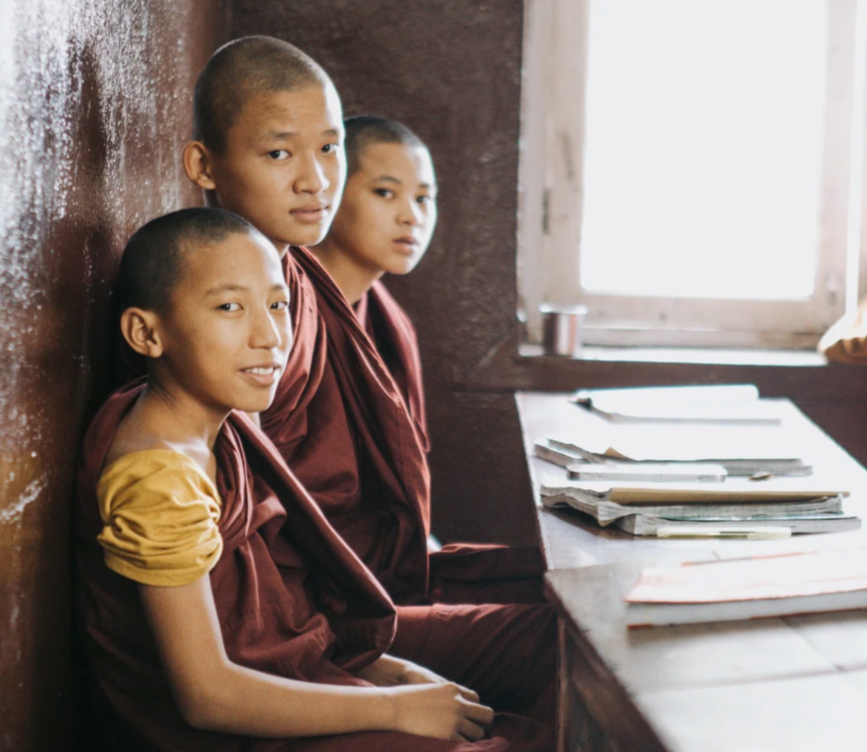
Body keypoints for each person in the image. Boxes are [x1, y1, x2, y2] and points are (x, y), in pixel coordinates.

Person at [180, 36, 556, 747]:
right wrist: (365, 672)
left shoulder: (314, 294)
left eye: (328, 151)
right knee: (549, 649)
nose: (314, 181)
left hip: (347, 590)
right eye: (279, 154)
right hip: (302, 619)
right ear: (204, 164)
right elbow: (244, 547)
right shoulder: (229, 321)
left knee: (554, 590)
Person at [72, 206, 540, 751]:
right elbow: (207, 698)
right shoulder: (159, 477)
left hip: (296, 676)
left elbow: (279, 620)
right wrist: (395, 707)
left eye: (277, 305)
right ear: (146, 333)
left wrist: (389, 672)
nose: (270, 335)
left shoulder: (219, 425)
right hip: (236, 735)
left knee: (547, 644)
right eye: (229, 307)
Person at [308, 115, 547, 605]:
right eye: (385, 193)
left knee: (551, 581)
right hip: (330, 591)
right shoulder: (289, 315)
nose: (411, 217)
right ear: (330, 191)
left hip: (394, 564)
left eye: (423, 198)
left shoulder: (388, 321)